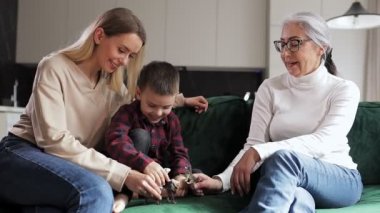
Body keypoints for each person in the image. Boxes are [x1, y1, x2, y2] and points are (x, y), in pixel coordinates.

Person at [0, 7, 208, 213]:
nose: (125, 61)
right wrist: (125, 175)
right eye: (122, 50)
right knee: (95, 190)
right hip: (22, 153)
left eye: (131, 56)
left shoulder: (114, 88)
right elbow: (53, 140)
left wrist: (181, 100)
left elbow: (144, 101)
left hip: (65, 167)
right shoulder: (54, 67)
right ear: (99, 35)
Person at [192, 11, 363, 212]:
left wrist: (260, 152)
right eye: (282, 44)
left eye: (294, 43)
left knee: (282, 158)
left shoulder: (344, 89)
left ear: (321, 48)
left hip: (339, 179)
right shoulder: (270, 88)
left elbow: (324, 140)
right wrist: (221, 181)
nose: (284, 53)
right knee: (298, 200)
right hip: (289, 181)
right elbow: (254, 144)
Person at [106, 61, 196, 212]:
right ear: (139, 93)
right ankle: (126, 194)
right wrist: (145, 163)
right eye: (152, 105)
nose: (158, 113)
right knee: (141, 136)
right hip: (130, 173)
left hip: (159, 174)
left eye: (166, 107)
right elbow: (116, 141)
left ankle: (163, 190)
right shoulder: (127, 113)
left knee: (192, 174)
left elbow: (179, 152)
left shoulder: (172, 120)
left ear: (174, 101)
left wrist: (181, 177)